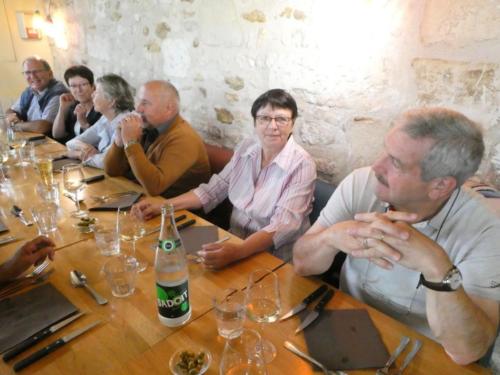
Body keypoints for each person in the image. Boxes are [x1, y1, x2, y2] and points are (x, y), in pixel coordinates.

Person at [293, 108, 500, 365]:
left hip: (420, 354)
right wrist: (330, 238)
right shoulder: (361, 182)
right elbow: (301, 264)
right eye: (385, 151)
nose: (377, 166)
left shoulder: (486, 230)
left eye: (396, 162)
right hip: (346, 329)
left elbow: (468, 351)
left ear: (440, 186)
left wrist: (436, 266)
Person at [132, 89, 317, 268]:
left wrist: (237, 252)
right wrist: (164, 206)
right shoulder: (247, 148)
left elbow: (282, 227)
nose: (273, 126)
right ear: (255, 123)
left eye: (282, 119)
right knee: (159, 251)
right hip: (231, 240)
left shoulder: (302, 165)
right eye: (265, 118)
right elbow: (212, 191)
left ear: (292, 124)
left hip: (272, 257)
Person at [104, 80, 210, 197]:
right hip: (141, 198)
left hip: (174, 210)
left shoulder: (184, 138)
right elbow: (111, 171)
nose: (138, 109)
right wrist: (119, 141)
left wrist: (131, 142)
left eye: (145, 103)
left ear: (169, 108)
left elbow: (155, 186)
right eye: (138, 101)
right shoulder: (148, 126)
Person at [65, 74, 134, 169]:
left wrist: (78, 154)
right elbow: (71, 143)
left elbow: (104, 162)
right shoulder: (105, 119)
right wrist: (84, 148)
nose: (92, 95)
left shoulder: (126, 122)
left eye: (96, 92)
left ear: (111, 101)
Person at [6, 57, 68, 134]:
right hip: (32, 139)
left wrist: (17, 125)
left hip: (53, 143)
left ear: (50, 74)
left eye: (37, 71)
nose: (32, 76)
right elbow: (10, 110)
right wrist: (12, 116)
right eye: (27, 73)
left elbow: (43, 127)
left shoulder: (58, 94)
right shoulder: (30, 90)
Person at [52, 65, 102, 143]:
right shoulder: (74, 106)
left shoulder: (101, 109)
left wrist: (83, 122)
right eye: (73, 86)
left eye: (83, 84)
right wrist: (62, 109)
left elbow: (99, 143)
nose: (79, 90)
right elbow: (57, 135)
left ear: (93, 86)